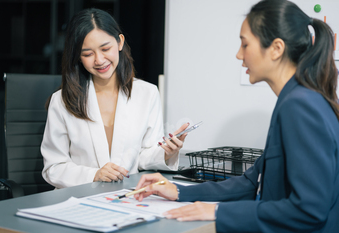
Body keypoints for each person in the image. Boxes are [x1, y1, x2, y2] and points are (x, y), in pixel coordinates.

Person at [134, 0, 339, 232]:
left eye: (245, 44)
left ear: (276, 48)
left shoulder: (301, 106)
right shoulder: (296, 100)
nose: (238, 55)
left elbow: (309, 210)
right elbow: (252, 182)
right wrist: (178, 190)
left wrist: (218, 212)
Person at [41, 8, 188, 189]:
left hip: (127, 197)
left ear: (120, 42)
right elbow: (54, 168)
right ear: (78, 57)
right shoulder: (62, 100)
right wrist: (94, 174)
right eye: (87, 54)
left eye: (105, 49)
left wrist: (167, 153)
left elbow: (144, 156)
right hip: (79, 198)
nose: (99, 60)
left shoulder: (147, 94)